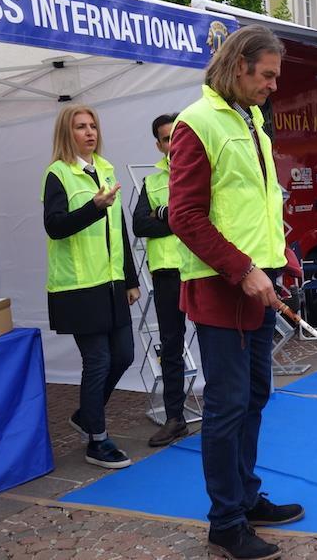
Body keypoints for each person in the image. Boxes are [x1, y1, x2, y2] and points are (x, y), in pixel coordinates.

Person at [168, 25, 303, 560]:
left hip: (256, 284)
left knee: (254, 398)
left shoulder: (253, 123)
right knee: (226, 407)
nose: (273, 85)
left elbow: (260, 207)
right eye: (267, 74)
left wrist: (280, 258)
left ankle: (244, 498)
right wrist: (243, 268)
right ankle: (225, 522)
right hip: (221, 288)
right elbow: (184, 215)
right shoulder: (196, 123)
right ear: (239, 64)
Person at [42, 104, 140, 469]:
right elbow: (55, 226)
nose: (89, 132)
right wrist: (94, 207)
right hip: (79, 286)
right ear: (67, 134)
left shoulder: (106, 169)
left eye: (93, 126)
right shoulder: (57, 174)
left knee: (125, 356)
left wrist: (130, 279)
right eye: (80, 127)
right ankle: (96, 440)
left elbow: (119, 231)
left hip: (111, 282)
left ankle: (87, 414)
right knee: (97, 362)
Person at [132, 112, 191, 448]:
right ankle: (175, 418)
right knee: (171, 346)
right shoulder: (152, 182)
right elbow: (140, 225)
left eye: (176, 136)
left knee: (216, 339)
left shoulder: (201, 172)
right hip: (168, 272)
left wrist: (163, 214)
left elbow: (205, 216)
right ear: (159, 144)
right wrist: (177, 218)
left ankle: (225, 407)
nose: (172, 144)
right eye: (166, 139)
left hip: (201, 268)